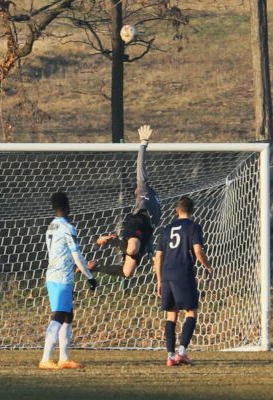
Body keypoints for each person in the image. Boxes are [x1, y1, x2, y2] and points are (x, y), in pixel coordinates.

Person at [91, 125, 162, 278]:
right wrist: (143, 144)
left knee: (127, 272)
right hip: (137, 221)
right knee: (132, 249)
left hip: (144, 232)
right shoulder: (143, 187)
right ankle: (115, 240)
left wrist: (152, 256)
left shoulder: (157, 202)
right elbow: (140, 166)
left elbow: (149, 235)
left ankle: (95, 267)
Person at [39, 192, 97, 370]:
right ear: (67, 206)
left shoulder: (51, 226)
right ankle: (46, 359)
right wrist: (90, 276)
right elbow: (77, 256)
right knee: (58, 315)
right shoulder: (67, 228)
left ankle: (64, 358)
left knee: (67, 315)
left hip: (54, 275)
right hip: (61, 277)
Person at [154, 196, 213, 366]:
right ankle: (182, 353)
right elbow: (197, 250)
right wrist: (207, 266)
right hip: (183, 274)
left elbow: (158, 257)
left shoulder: (166, 229)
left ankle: (170, 357)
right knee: (191, 312)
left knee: (171, 315)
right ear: (192, 210)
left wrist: (159, 280)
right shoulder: (194, 227)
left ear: (176, 210)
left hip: (166, 276)